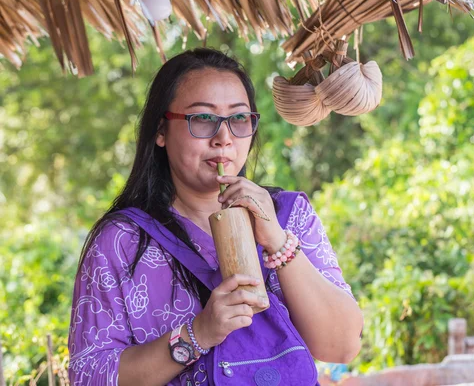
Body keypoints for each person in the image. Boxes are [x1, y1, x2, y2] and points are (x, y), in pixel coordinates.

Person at [68, 48, 363, 385]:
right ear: (161, 131)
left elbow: (342, 347)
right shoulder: (121, 240)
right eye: (203, 119)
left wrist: (278, 243)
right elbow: (89, 376)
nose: (223, 139)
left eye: (238, 119)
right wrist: (199, 334)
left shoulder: (289, 214)